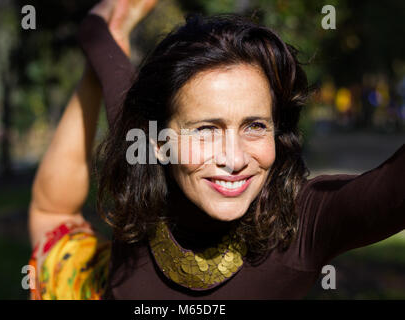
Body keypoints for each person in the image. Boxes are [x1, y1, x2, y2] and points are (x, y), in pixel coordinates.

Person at [28, 0, 405, 299]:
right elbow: (107, 62)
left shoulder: (303, 223)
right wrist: (98, 27)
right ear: (159, 143)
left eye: (255, 126)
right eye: (207, 130)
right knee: (50, 214)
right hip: (85, 285)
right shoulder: (143, 151)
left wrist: (97, 29)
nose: (235, 159)